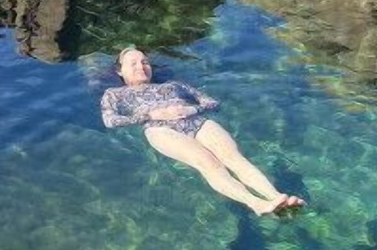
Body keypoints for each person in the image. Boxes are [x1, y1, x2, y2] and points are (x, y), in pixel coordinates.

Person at [100, 47, 306, 215]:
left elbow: (211, 102)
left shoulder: (173, 85)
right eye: (133, 63)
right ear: (120, 71)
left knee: (234, 158)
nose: (141, 66)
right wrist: (151, 115)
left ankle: (276, 197)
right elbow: (110, 120)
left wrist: (191, 108)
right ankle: (256, 203)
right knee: (209, 163)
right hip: (159, 128)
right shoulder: (115, 94)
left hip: (194, 120)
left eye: (144, 62)